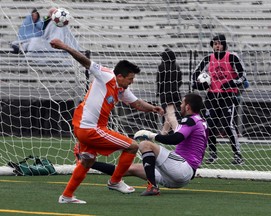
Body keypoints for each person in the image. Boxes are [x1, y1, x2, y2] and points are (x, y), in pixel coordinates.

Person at [49, 39, 164, 204]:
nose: (132, 82)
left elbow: (137, 103)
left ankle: (66, 196)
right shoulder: (106, 75)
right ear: (119, 76)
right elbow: (85, 61)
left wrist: (153, 108)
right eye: (130, 78)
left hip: (82, 126)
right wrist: (64, 46)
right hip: (90, 128)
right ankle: (115, 181)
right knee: (132, 146)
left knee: (88, 160)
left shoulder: (121, 89)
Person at [79, 93, 208, 196]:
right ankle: (89, 162)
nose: (180, 105)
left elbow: (176, 139)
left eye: (182, 103)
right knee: (129, 168)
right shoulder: (200, 121)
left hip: (182, 168)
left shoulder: (190, 120)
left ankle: (152, 186)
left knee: (146, 145)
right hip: (177, 177)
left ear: (187, 107)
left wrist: (152, 135)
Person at [192, 34, 247, 165]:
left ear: (224, 44)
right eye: (215, 43)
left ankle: (238, 155)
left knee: (228, 125)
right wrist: (199, 84)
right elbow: (195, 75)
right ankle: (213, 154)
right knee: (209, 126)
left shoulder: (232, 57)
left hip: (227, 95)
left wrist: (232, 83)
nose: (217, 46)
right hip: (211, 96)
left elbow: (243, 75)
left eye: (219, 43)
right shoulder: (207, 59)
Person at [157, 48, 183, 135]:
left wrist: (159, 92)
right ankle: (163, 133)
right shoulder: (177, 66)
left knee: (170, 114)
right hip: (175, 93)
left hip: (165, 93)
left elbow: (159, 81)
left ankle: (178, 132)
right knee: (169, 114)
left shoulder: (161, 67)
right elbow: (180, 81)